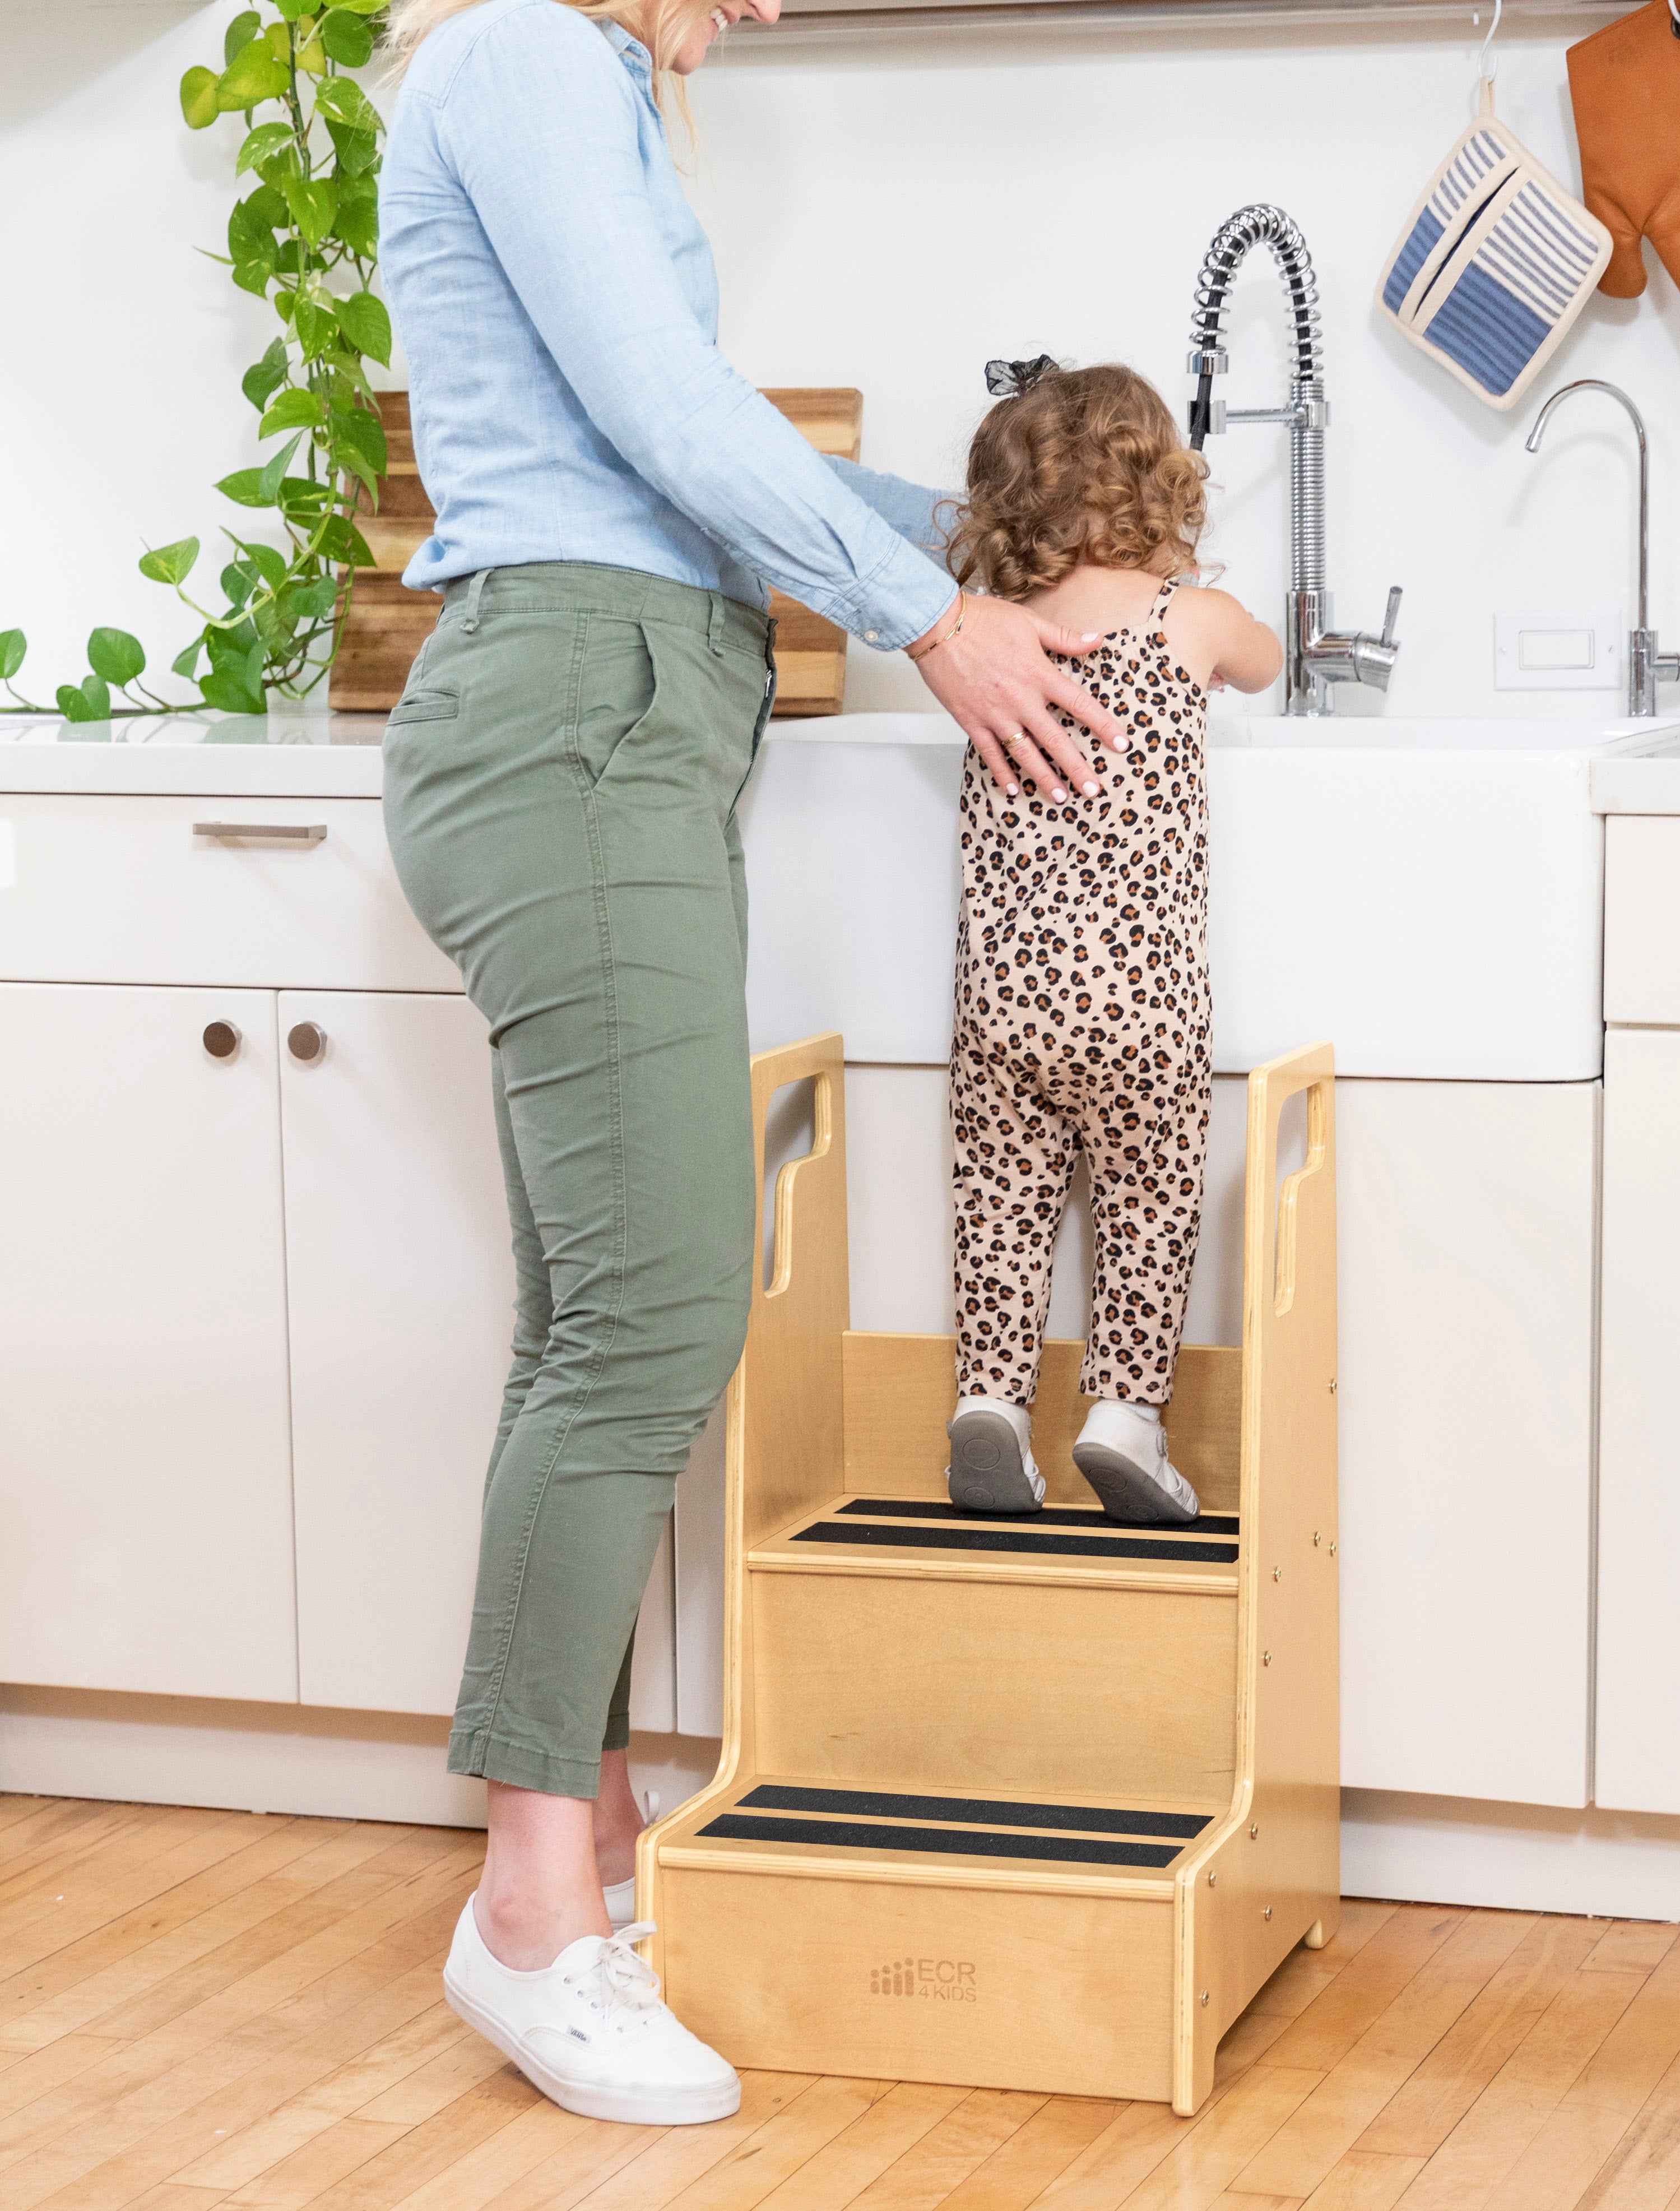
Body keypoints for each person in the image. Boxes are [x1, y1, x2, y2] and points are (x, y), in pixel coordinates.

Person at [375, 0, 1126, 2128]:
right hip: (576, 712)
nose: (770, 7)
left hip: (612, 706)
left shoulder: (580, 79)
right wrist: (930, 614)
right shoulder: (520, 49)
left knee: (586, 1328)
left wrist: (1005, 560)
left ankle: (579, 1836)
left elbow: (701, 446)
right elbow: (662, 410)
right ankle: (531, 1915)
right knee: (659, 1313)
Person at [938, 359, 1282, 1526]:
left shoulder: (988, 640)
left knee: (997, 1197)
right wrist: (1186, 579)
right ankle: (1123, 1415)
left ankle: (987, 1401)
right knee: (1146, 1200)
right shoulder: (1180, 619)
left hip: (1003, 1008)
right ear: (1159, 492)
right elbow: (1266, 659)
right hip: (1138, 1014)